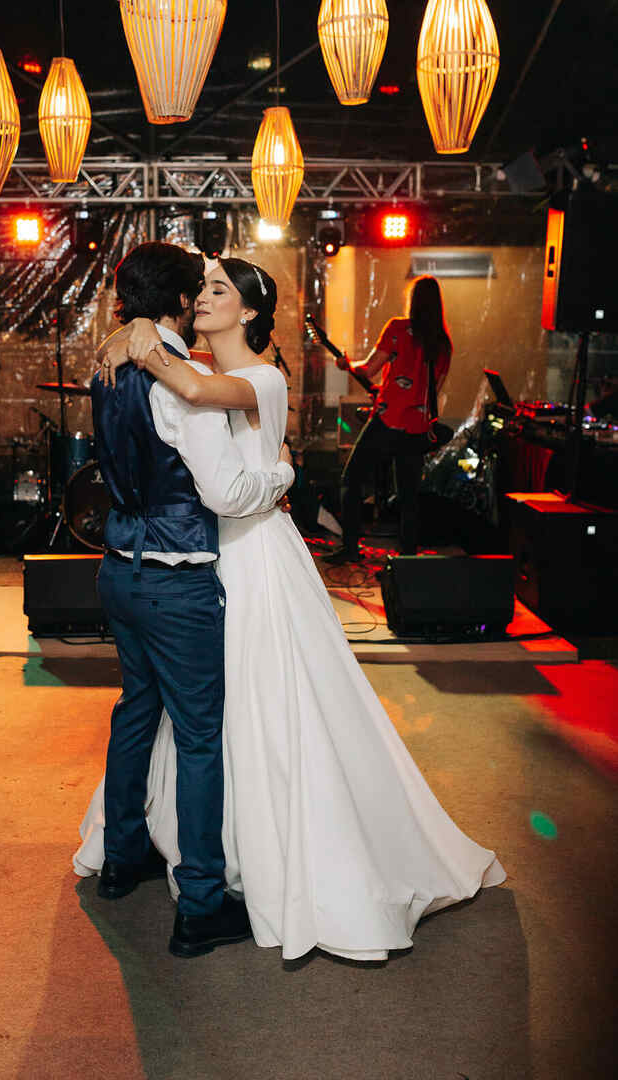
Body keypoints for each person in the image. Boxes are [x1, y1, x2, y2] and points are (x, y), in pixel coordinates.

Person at [75, 257, 504, 963]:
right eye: (202, 288)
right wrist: (147, 336)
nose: (207, 298)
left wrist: (280, 470)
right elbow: (195, 408)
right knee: (201, 721)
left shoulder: (253, 377)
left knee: (248, 709)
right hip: (202, 562)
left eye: (221, 290)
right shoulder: (184, 365)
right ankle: (199, 866)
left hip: (244, 558)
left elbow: (203, 413)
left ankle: (230, 858)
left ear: (247, 311)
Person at [84, 242, 295, 959]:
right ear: (178, 303)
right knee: (200, 738)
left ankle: (121, 860)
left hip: (118, 570)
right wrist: (279, 479)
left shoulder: (110, 364)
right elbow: (228, 493)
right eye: (196, 291)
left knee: (135, 712)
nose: (203, 300)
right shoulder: (182, 383)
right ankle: (201, 903)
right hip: (176, 582)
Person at [326, 274, 453, 565]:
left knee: (352, 479)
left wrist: (348, 364)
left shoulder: (398, 329)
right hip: (416, 428)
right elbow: (435, 390)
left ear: (414, 301)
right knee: (408, 496)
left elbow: (369, 369)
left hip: (387, 420)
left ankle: (350, 548)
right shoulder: (443, 345)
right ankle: (408, 558)